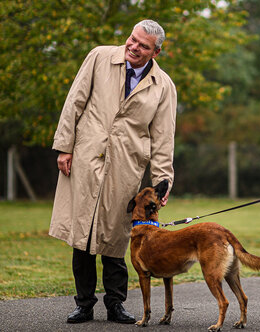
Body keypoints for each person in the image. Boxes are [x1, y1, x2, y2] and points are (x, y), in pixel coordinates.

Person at [49, 19, 176, 325]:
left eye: (143, 46)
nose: (133, 47)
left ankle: (115, 304)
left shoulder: (164, 87)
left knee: (117, 236)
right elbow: (74, 101)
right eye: (132, 39)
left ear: (156, 52)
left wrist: (163, 179)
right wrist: (64, 145)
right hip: (86, 156)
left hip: (126, 165)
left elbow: (163, 137)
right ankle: (83, 304)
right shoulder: (99, 57)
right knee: (83, 234)